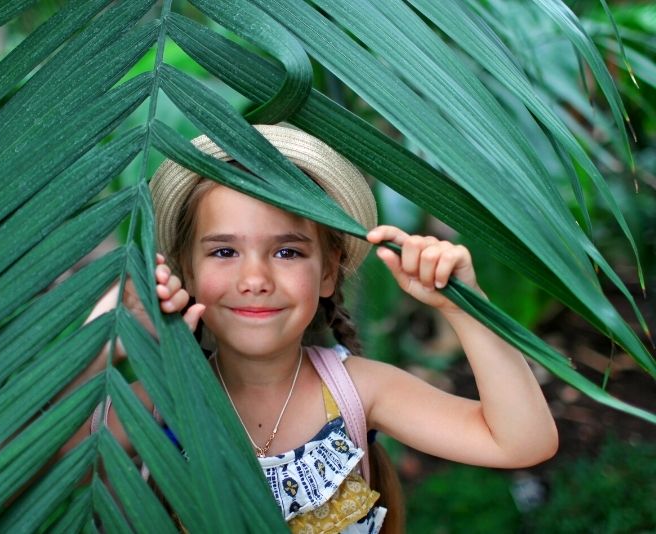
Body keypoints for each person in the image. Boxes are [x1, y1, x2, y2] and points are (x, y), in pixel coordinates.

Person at [72, 125, 558, 533]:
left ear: (328, 272)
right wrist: (106, 338)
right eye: (224, 251)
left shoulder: (357, 390)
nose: (256, 280)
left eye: (287, 251)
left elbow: (523, 441)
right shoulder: (157, 404)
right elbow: (11, 477)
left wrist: (464, 308)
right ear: (186, 272)